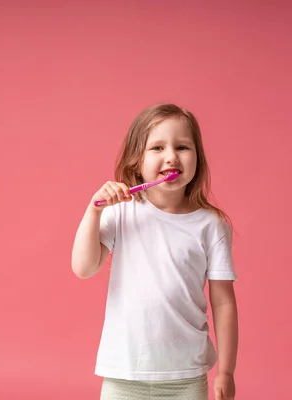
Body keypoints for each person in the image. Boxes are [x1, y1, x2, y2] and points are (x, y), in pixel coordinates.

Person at [71, 103, 239, 400]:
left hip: (186, 376)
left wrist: (226, 371)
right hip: (124, 373)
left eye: (183, 147)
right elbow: (83, 268)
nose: (172, 156)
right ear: (137, 161)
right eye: (157, 147)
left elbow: (223, 302)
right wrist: (92, 211)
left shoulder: (211, 225)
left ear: (198, 158)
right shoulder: (121, 213)